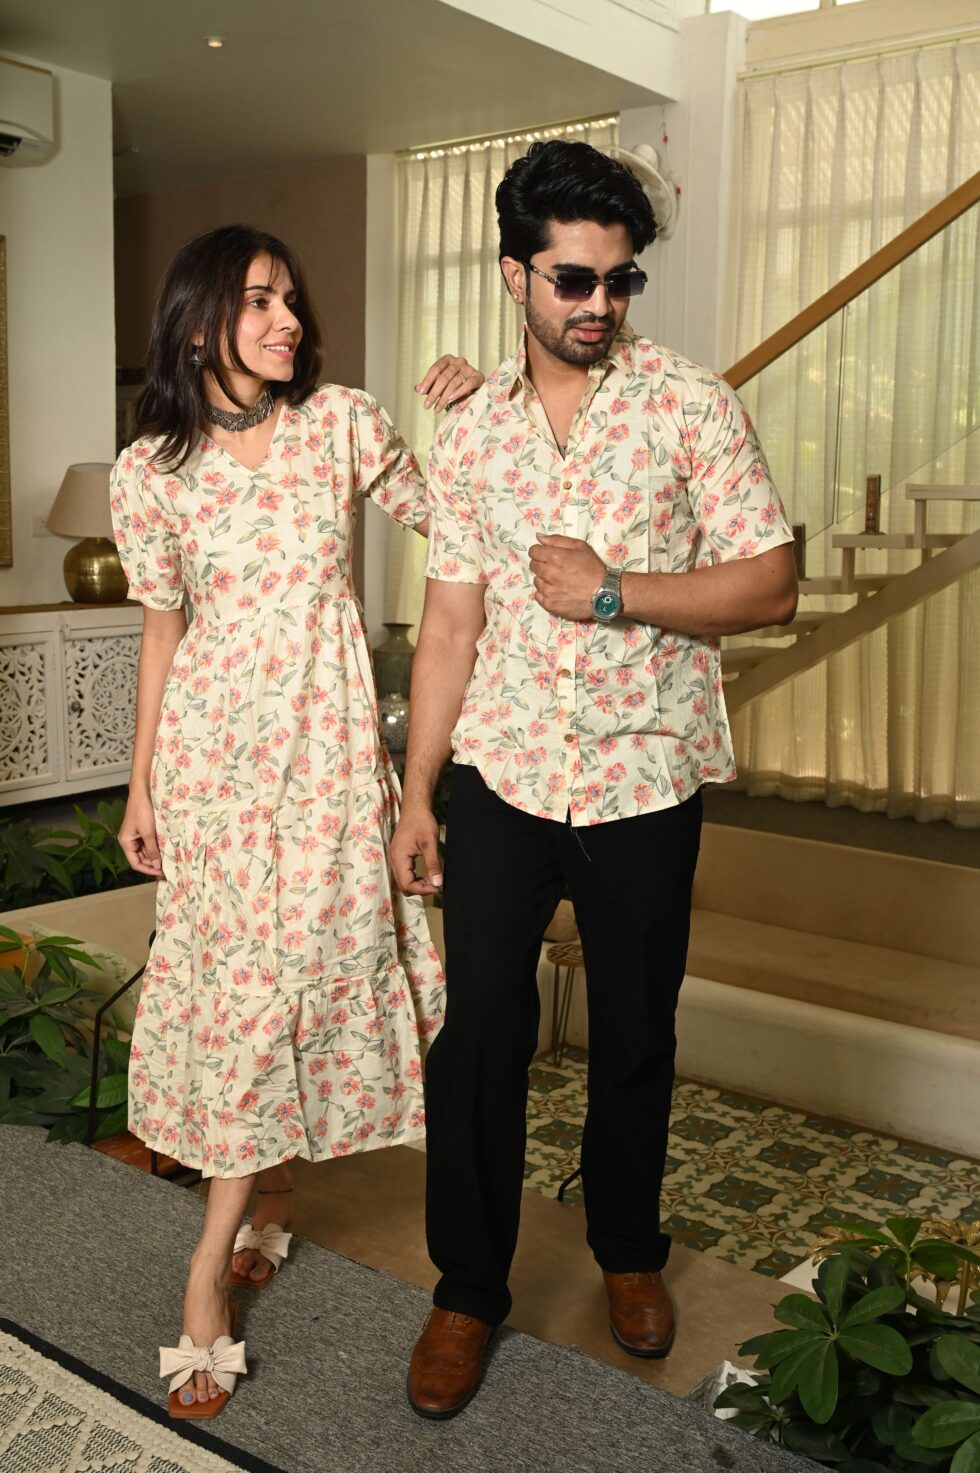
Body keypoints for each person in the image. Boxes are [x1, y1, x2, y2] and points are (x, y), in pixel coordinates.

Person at [389, 139, 798, 1419]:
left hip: (643, 777)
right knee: (479, 1037)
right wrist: (415, 793)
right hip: (501, 775)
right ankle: (467, 1289)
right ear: (514, 274)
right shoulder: (469, 434)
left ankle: (626, 1250)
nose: (598, 305)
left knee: (632, 1033)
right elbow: (448, 623)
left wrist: (615, 593)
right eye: (572, 278)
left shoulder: (690, 404)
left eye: (619, 281)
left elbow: (769, 585)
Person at [111, 223, 482, 1419]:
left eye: (291, 300)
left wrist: (472, 413)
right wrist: (140, 783)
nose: (288, 322)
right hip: (212, 770)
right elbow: (162, 632)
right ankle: (211, 1269)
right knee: (238, 997)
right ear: (197, 324)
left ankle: (258, 1208)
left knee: (290, 980)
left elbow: (460, 524)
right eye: (259, 301)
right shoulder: (148, 471)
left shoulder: (342, 424)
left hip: (322, 765)